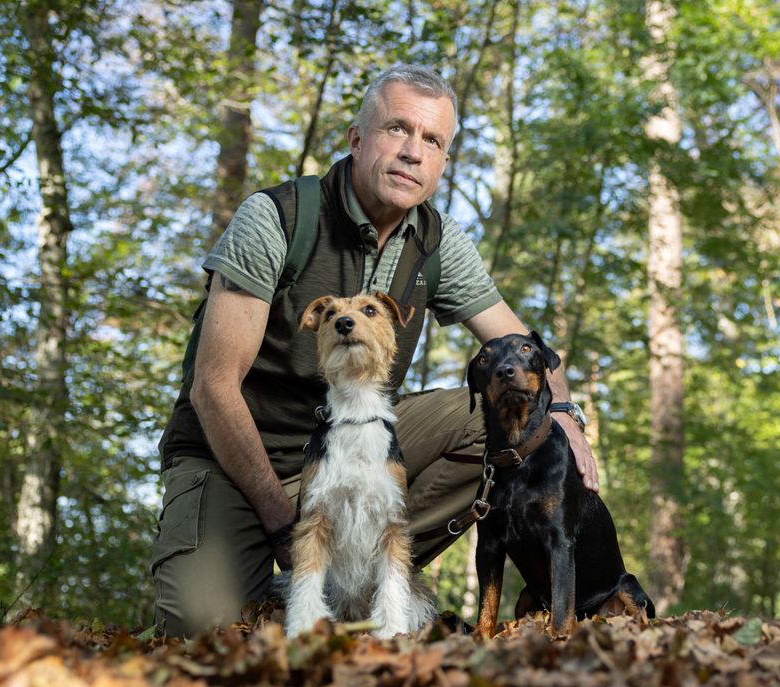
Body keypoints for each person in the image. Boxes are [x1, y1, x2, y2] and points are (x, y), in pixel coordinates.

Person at [150, 64, 598, 637]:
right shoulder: (277, 219)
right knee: (199, 625)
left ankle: (377, 580)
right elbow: (212, 388)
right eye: (397, 129)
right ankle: (287, 582)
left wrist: (566, 419)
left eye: (432, 140)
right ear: (357, 140)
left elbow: (523, 349)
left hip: (360, 440)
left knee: (500, 420)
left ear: (442, 162)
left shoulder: (437, 241)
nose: (413, 152)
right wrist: (286, 523)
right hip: (237, 456)